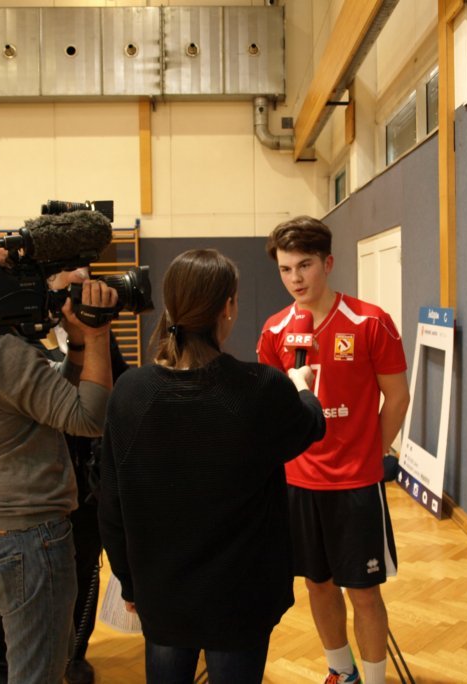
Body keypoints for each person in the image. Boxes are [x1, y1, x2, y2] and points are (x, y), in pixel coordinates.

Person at [97, 248, 326, 684]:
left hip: (162, 595)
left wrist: (128, 581)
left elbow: (111, 503)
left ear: (170, 308)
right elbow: (310, 426)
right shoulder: (262, 389)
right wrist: (302, 387)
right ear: (228, 306)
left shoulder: (129, 392)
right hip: (241, 599)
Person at [0, 259, 117, 684]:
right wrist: (98, 334)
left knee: (37, 667)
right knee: (37, 674)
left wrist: (79, 345)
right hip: (29, 539)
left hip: (5, 532)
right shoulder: (4, 353)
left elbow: (51, 401)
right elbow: (90, 418)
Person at [257, 216, 410, 684]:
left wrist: (369, 455)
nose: (296, 279)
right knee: (317, 585)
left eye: (304, 265)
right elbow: (274, 411)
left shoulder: (370, 322)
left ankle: (375, 680)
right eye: (285, 269)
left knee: (363, 592)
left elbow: (397, 398)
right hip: (300, 483)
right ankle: (342, 673)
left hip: (356, 486)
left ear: (328, 263)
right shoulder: (275, 330)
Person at [0, 300, 129, 684]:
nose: (79, 288)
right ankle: (2, 667)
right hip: (29, 493)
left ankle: (74, 654)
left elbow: (116, 390)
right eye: (68, 281)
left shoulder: (97, 333)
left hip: (83, 483)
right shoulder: (16, 342)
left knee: (83, 571)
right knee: (14, 589)